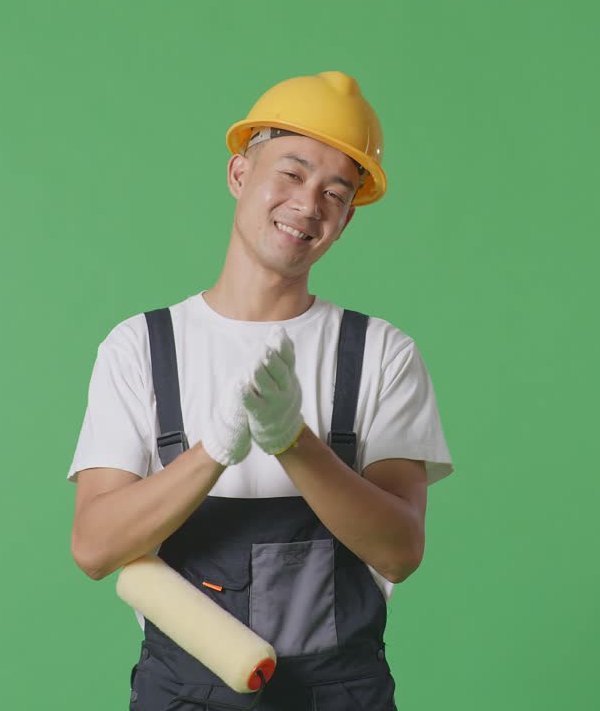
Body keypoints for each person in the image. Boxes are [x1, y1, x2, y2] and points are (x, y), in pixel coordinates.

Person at [68, 71, 454, 710]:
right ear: (240, 174)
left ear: (346, 220)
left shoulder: (380, 354)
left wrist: (291, 440)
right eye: (292, 173)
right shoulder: (141, 348)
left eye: (336, 193)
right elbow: (94, 548)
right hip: (183, 696)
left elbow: (400, 551)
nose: (309, 204)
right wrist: (213, 450)